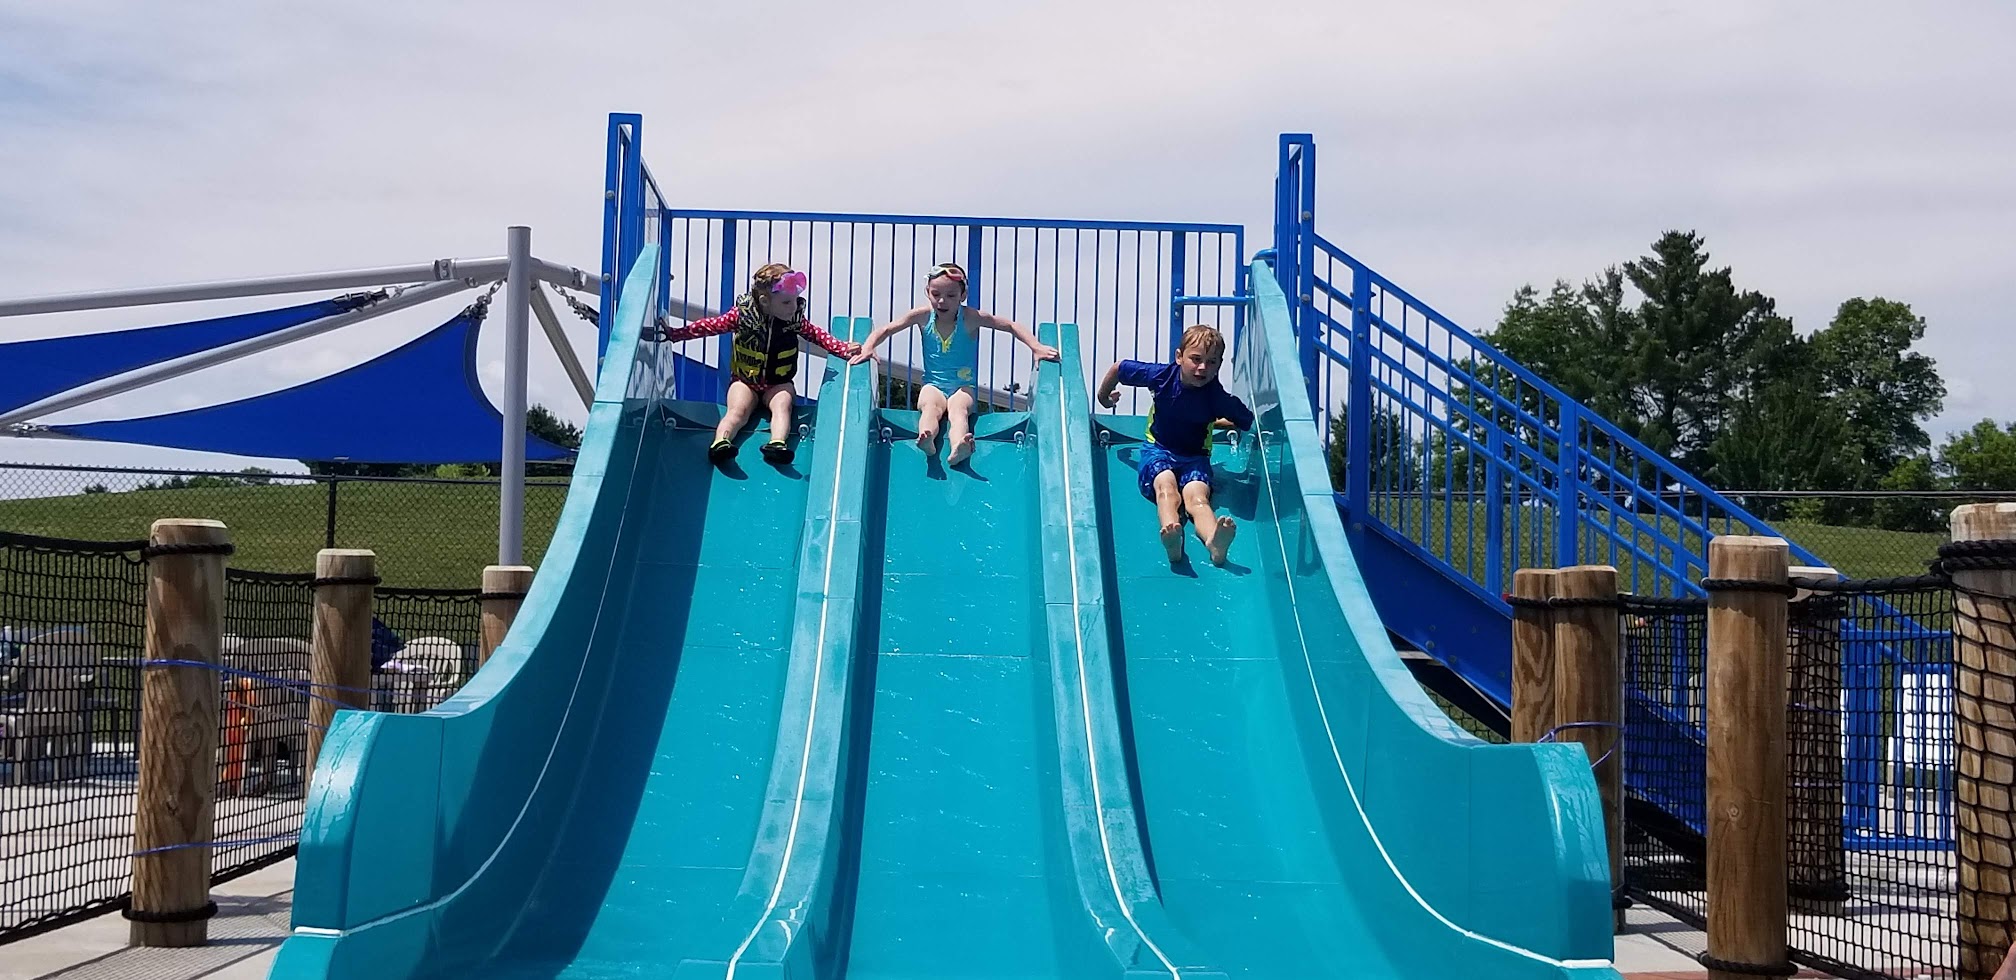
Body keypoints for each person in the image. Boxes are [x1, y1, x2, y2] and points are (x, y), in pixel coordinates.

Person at [849, 262, 1058, 466]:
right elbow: (886, 329)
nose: (942, 301)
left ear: (962, 295)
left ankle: (959, 446)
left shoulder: (971, 318)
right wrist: (868, 347)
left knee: (959, 410)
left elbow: (1010, 326)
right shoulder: (922, 316)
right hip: (933, 384)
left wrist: (1036, 347)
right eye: (936, 294)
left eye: (951, 295)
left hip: (963, 387)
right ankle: (927, 439)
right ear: (927, 292)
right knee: (930, 407)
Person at [661, 263, 862, 465]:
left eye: (795, 300)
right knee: (737, 411)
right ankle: (721, 442)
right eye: (786, 302)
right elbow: (710, 326)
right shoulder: (742, 316)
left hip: (778, 383)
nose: (793, 307)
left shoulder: (794, 319)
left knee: (782, 406)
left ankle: (777, 443)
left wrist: (841, 348)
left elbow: (816, 335)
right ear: (765, 301)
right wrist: (676, 334)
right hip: (745, 381)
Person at [1096, 324, 1254, 565]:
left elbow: (1248, 421)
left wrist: (1220, 421)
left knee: (1197, 498)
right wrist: (1104, 398)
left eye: (1211, 362)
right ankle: (1172, 536)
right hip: (1159, 450)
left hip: (1195, 458)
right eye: (1196, 359)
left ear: (1219, 365)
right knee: (1166, 488)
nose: (1203, 367)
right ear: (1179, 357)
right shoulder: (1162, 376)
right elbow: (1119, 368)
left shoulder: (1217, 398)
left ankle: (1213, 542)